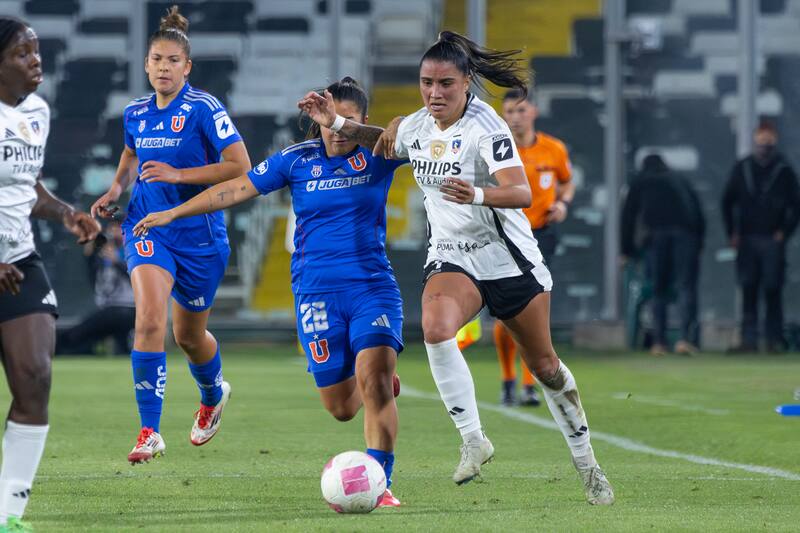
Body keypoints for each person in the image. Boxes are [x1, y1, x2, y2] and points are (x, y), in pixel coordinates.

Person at [304, 31, 614, 505]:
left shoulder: (486, 128)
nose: (434, 93)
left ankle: (587, 463)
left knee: (546, 367)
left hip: (507, 258)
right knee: (434, 327)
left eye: (445, 84)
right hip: (453, 255)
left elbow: (522, 192)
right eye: (427, 83)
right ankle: (473, 439)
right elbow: (387, 143)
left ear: (466, 82)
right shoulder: (418, 125)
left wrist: (478, 193)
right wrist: (340, 124)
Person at [133, 77, 406, 507]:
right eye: (329, 124)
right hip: (315, 295)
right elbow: (235, 188)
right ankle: (379, 379)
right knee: (341, 407)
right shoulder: (297, 160)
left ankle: (380, 481)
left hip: (371, 287)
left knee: (372, 380)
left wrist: (356, 126)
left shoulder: (379, 153)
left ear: (362, 122)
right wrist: (173, 211)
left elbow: (415, 133)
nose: (336, 134)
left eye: (347, 124)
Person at [91, 6, 251, 464]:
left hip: (200, 238)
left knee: (188, 337)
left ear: (187, 67)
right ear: (146, 64)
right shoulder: (135, 112)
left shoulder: (204, 108)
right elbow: (129, 155)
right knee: (148, 320)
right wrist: (116, 189)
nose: (164, 67)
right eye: (156, 59)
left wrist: (180, 175)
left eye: (172, 61)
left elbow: (240, 166)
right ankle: (149, 430)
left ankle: (211, 392)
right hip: (145, 227)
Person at [0, 16, 100, 531]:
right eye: (22, 53)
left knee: (35, 377)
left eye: (37, 52)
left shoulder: (36, 112)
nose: (35, 61)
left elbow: (28, 188)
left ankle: (8, 515)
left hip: (19, 261)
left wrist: (66, 213)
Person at [495, 88, 574, 406]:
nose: (515, 117)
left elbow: (567, 180)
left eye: (521, 110)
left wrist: (563, 203)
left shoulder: (553, 149)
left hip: (541, 234)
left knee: (534, 310)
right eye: (510, 111)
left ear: (534, 112)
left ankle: (528, 384)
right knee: (506, 315)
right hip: (504, 236)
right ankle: (508, 378)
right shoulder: (497, 149)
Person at [722, 121, 800, 353]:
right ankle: (749, 339)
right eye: (761, 140)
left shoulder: (783, 170)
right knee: (748, 288)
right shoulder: (743, 167)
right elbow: (727, 202)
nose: (764, 146)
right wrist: (733, 232)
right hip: (747, 239)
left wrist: (784, 233)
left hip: (771, 240)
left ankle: (773, 339)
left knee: (772, 288)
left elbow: (796, 206)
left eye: (768, 141)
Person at [620, 154, 705, 356]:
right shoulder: (679, 179)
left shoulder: (641, 181)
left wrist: (627, 251)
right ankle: (686, 339)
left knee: (658, 288)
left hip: (656, 237)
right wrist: (698, 243)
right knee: (686, 287)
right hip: (686, 237)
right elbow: (697, 211)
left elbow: (628, 217)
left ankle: (659, 342)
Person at [56, 220, 136, 355]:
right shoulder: (103, 256)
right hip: (108, 310)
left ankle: (62, 345)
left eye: (119, 229)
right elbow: (93, 278)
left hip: (127, 308)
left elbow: (135, 278)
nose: (114, 233)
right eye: (112, 229)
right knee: (86, 341)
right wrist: (90, 252)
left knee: (79, 334)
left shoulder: (131, 250)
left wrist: (117, 261)